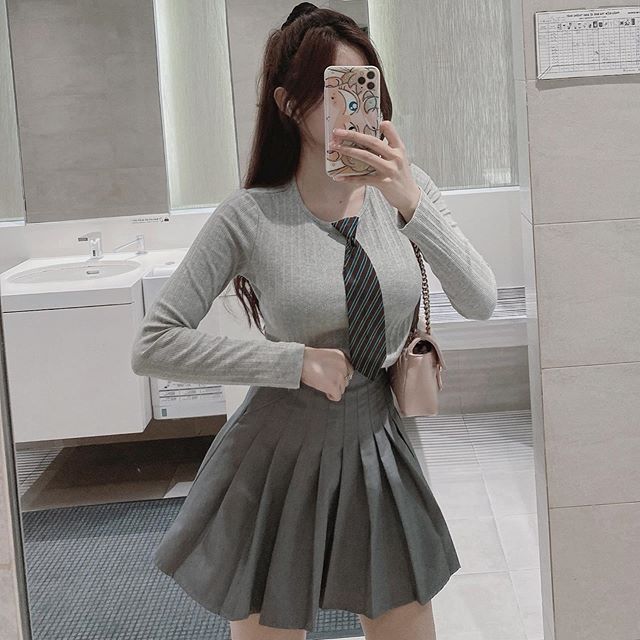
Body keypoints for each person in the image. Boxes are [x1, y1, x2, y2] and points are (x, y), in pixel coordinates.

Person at [131, 4, 497, 639]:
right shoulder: (250, 216)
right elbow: (153, 344)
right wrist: (291, 361)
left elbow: (481, 299)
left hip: (379, 443)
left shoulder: (407, 191)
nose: (352, 111)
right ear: (288, 103)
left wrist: (408, 202)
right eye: (334, 93)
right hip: (278, 454)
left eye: (364, 90)